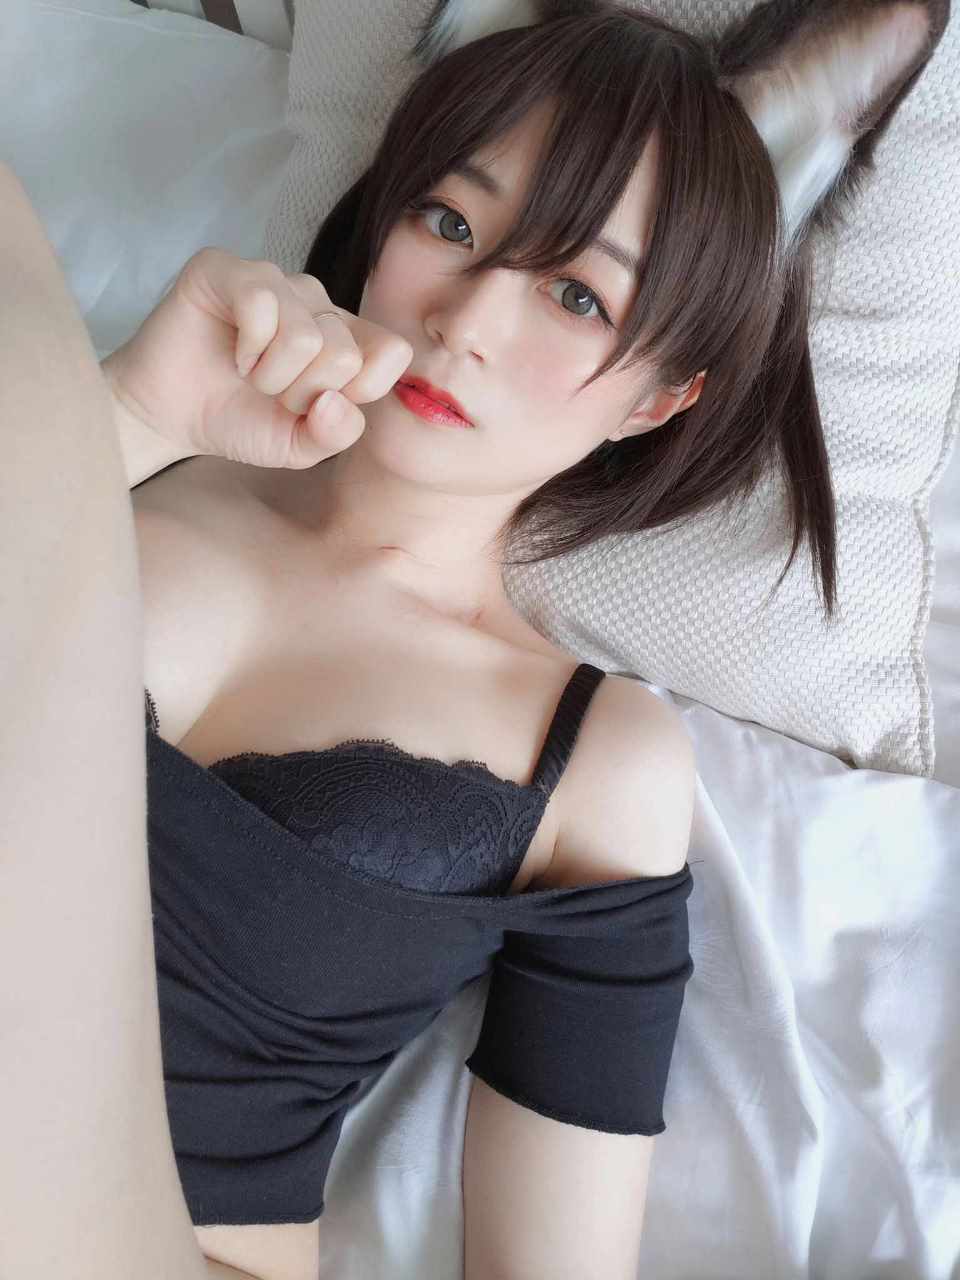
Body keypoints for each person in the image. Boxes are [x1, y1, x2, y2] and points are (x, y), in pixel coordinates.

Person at [4, 0, 944, 1276]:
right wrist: (123, 413)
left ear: (662, 398)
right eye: (450, 223)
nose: (467, 318)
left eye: (575, 293)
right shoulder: (120, 445)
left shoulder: (594, 755)